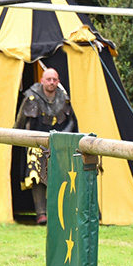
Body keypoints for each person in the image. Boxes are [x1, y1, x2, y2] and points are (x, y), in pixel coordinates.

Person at [13, 67, 78, 225]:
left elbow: (71, 122)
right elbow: (21, 122)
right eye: (48, 79)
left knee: (60, 176)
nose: (51, 82)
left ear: (58, 81)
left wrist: (62, 138)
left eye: (54, 79)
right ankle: (41, 213)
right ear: (42, 80)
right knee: (36, 176)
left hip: (58, 145)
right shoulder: (31, 98)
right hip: (35, 144)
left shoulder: (64, 99)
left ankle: (57, 213)